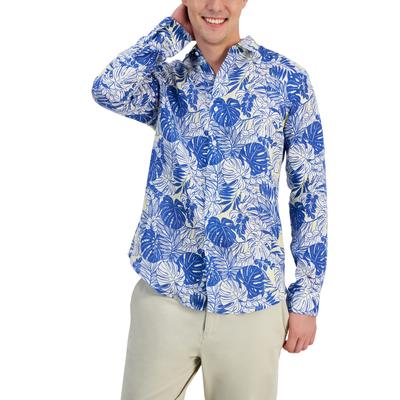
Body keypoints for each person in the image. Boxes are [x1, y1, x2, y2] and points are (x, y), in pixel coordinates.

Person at [91, 1, 328, 399]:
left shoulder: (287, 81)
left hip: (251, 303)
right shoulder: (167, 81)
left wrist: (306, 298)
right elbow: (107, 89)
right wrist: (169, 32)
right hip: (166, 292)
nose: (215, 5)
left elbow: (310, 192)